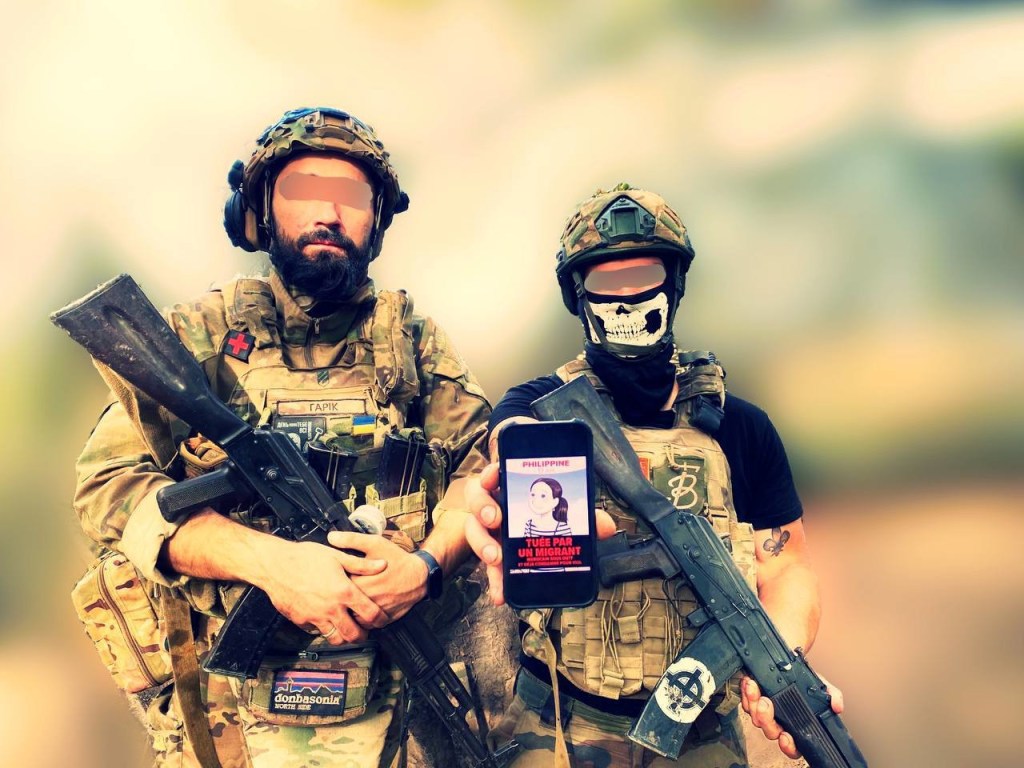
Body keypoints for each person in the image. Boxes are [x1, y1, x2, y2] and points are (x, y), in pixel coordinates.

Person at [71, 107, 491, 768]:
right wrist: (271, 564)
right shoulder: (199, 336)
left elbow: (480, 473)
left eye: (352, 195)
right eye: (303, 190)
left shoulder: (414, 345)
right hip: (226, 721)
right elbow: (108, 490)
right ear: (259, 213)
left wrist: (423, 567)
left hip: (393, 709)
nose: (328, 211)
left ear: (377, 220)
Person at [464, 184, 845, 766]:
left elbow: (787, 564)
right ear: (578, 296)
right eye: (605, 282)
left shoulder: (739, 426)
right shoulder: (541, 406)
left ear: (674, 285)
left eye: (644, 275)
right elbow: (511, 436)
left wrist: (779, 664)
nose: (626, 298)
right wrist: (513, 470)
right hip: (557, 723)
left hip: (700, 734)